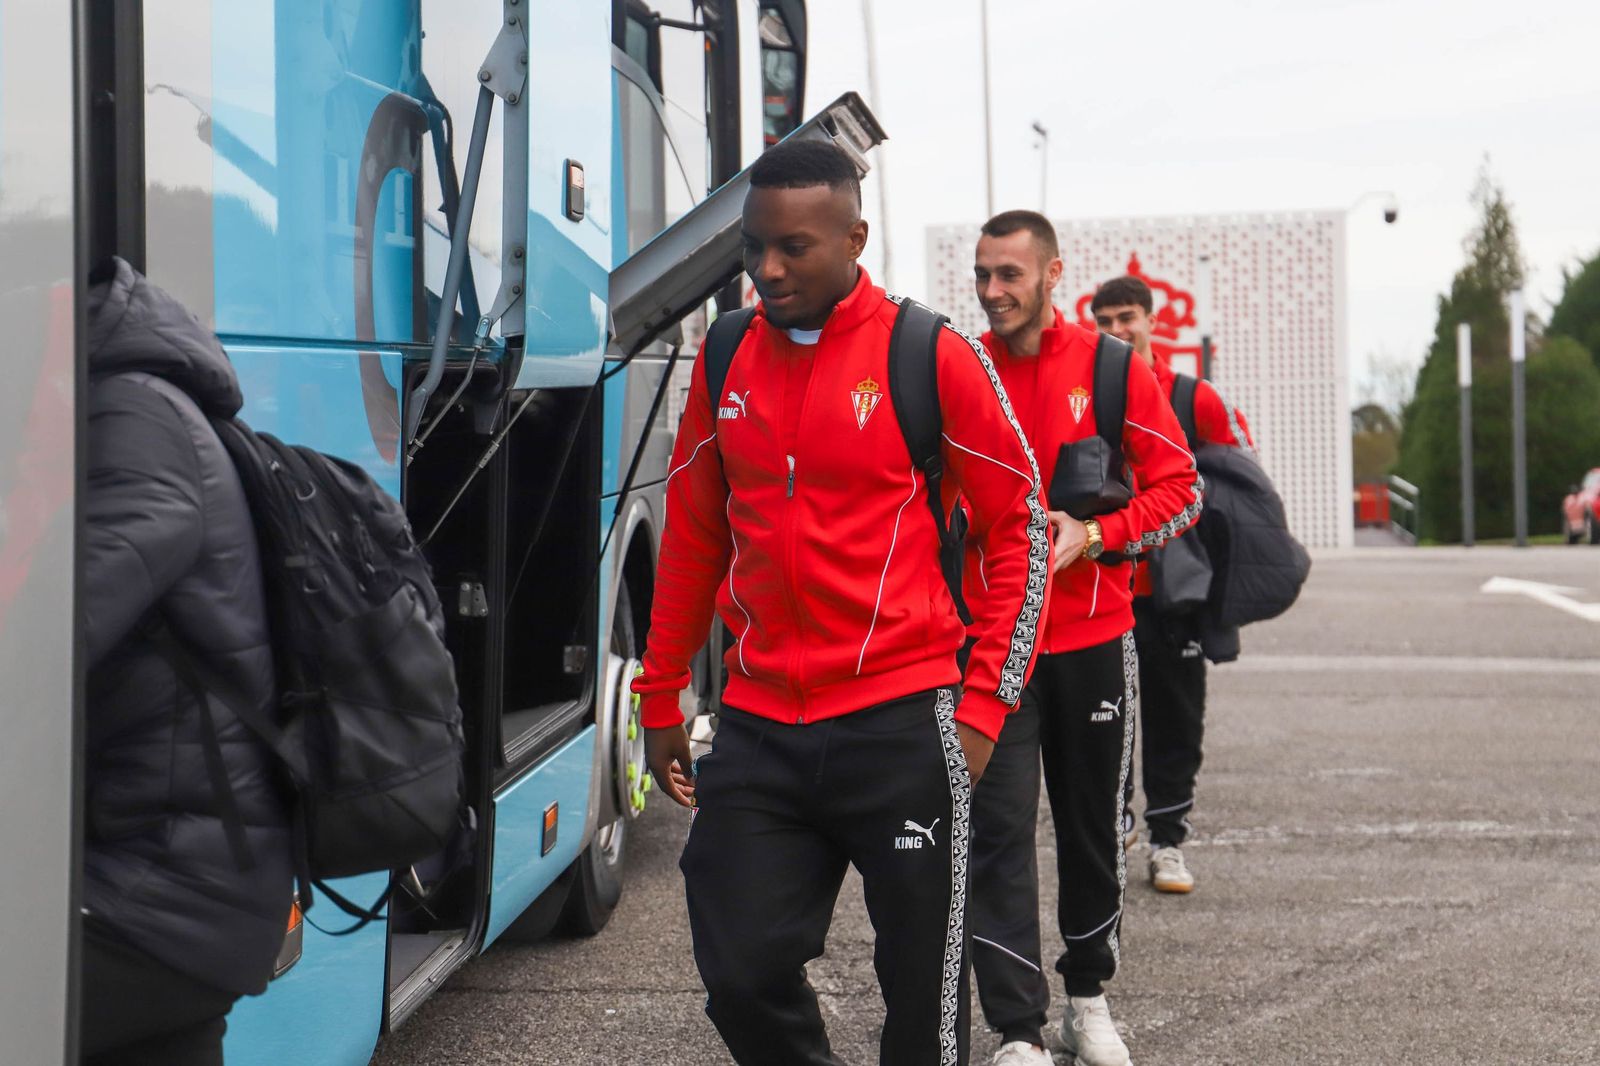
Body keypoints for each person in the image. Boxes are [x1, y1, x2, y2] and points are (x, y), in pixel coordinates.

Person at [633, 140, 1050, 1066]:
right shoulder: (726, 352)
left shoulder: (928, 352)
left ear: (854, 237)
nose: (767, 270)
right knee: (739, 967)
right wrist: (658, 691)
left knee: (922, 1005)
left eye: (794, 249)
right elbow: (697, 534)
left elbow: (1021, 530)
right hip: (761, 725)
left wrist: (984, 704)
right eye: (752, 248)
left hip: (902, 723)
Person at [967, 214, 1202, 1066]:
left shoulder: (1110, 369)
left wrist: (1097, 536)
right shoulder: (962, 368)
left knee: (1092, 829)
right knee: (994, 828)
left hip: (1093, 638)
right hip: (990, 646)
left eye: (1010, 275)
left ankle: (1087, 999)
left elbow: (1181, 491)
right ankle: (1017, 1031)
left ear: (1052, 273)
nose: (993, 292)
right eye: (983, 275)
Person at [80, 258, 293, 1065]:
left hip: (163, 891)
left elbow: (37, 654)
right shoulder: (118, 401)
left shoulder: (132, 422)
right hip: (171, 873)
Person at [1092, 274, 1254, 895]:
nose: (1115, 331)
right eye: (1103, 320)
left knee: (1175, 719)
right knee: (1100, 721)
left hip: (1175, 594)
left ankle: (1167, 842)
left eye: (1126, 317)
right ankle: (1116, 825)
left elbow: (1245, 478)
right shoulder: (1087, 391)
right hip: (1099, 590)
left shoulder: (1193, 398)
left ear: (1152, 320)